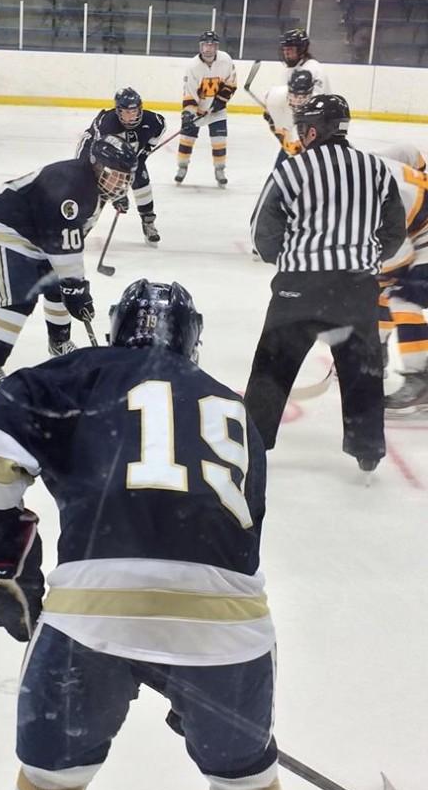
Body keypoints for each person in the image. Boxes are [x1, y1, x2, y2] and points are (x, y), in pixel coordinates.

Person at [0, 278, 290, 790]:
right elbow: (234, 535)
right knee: (245, 780)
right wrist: (195, 683)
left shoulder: (77, 375)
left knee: (51, 777)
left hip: (93, 617)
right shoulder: (233, 408)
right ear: (194, 343)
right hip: (229, 635)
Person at [244, 95, 406, 472]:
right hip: (356, 287)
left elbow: (261, 234)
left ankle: (253, 443)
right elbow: (394, 231)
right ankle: (367, 450)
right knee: (362, 369)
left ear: (314, 130)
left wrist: (290, 259)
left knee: (273, 366)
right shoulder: (378, 171)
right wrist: (364, 258)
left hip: (299, 289)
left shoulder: (292, 170)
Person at [0, 134, 137, 398]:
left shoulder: (91, 184)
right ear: (96, 166)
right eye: (115, 176)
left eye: (124, 178)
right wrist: (77, 288)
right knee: (19, 300)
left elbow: (67, 242)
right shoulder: (73, 190)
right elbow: (66, 249)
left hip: (41, 231)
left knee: (59, 287)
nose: (120, 184)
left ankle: (59, 344)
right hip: (9, 228)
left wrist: (72, 287)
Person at [372, 144, 428, 411]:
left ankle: (420, 380)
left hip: (422, 231)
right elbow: (412, 155)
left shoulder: (365, 196)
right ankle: (377, 353)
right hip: (416, 227)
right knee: (384, 288)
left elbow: (397, 253)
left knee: (405, 298)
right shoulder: (367, 165)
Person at [76, 87, 166, 245]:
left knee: (141, 178)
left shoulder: (153, 121)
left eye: (134, 112)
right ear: (118, 111)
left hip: (125, 156)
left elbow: (161, 127)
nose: (131, 117)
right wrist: (117, 195)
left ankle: (148, 222)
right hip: (95, 156)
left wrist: (145, 152)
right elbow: (100, 162)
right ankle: (79, 228)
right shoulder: (107, 125)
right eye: (126, 112)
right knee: (95, 191)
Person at [175, 30, 237, 187]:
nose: (208, 49)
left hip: (217, 110)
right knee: (186, 140)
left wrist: (221, 101)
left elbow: (231, 82)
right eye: (205, 45)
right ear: (200, 47)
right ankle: (182, 167)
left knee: (219, 141)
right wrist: (188, 115)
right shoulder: (193, 66)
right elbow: (189, 93)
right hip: (198, 110)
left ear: (216, 47)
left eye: (211, 45)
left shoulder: (226, 60)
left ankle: (220, 170)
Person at [262, 69, 316, 166]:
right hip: (284, 113)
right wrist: (287, 144)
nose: (298, 101)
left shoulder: (317, 106)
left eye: (303, 97)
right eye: (295, 95)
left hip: (306, 129)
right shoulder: (276, 98)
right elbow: (280, 130)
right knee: (289, 148)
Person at [279, 28, 330, 94]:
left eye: (290, 49)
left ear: (301, 49)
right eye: (284, 49)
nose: (286, 53)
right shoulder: (288, 70)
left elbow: (316, 97)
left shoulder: (314, 69)